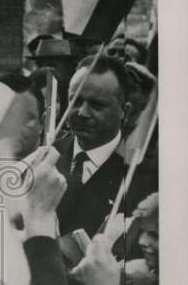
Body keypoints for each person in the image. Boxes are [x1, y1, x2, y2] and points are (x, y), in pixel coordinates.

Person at [55, 55, 150, 236]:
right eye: (75, 101)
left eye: (97, 105)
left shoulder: (139, 173)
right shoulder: (46, 156)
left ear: (124, 111)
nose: (82, 113)